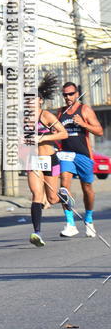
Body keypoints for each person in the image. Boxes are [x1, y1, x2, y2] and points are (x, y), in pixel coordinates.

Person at [56, 82, 103, 238]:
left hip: (83, 155)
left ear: (77, 94)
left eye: (71, 94)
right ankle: (70, 224)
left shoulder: (85, 110)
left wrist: (83, 123)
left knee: (87, 188)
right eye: (65, 95)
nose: (68, 97)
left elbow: (99, 131)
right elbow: (55, 131)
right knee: (64, 187)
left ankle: (89, 220)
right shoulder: (60, 113)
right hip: (66, 154)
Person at [26, 75, 68, 247]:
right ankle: (37, 233)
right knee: (37, 195)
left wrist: (42, 138)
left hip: (50, 159)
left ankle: (63, 196)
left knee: (51, 199)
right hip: (33, 160)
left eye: (32, 98)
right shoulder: (22, 119)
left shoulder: (47, 116)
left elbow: (63, 133)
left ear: (40, 100)